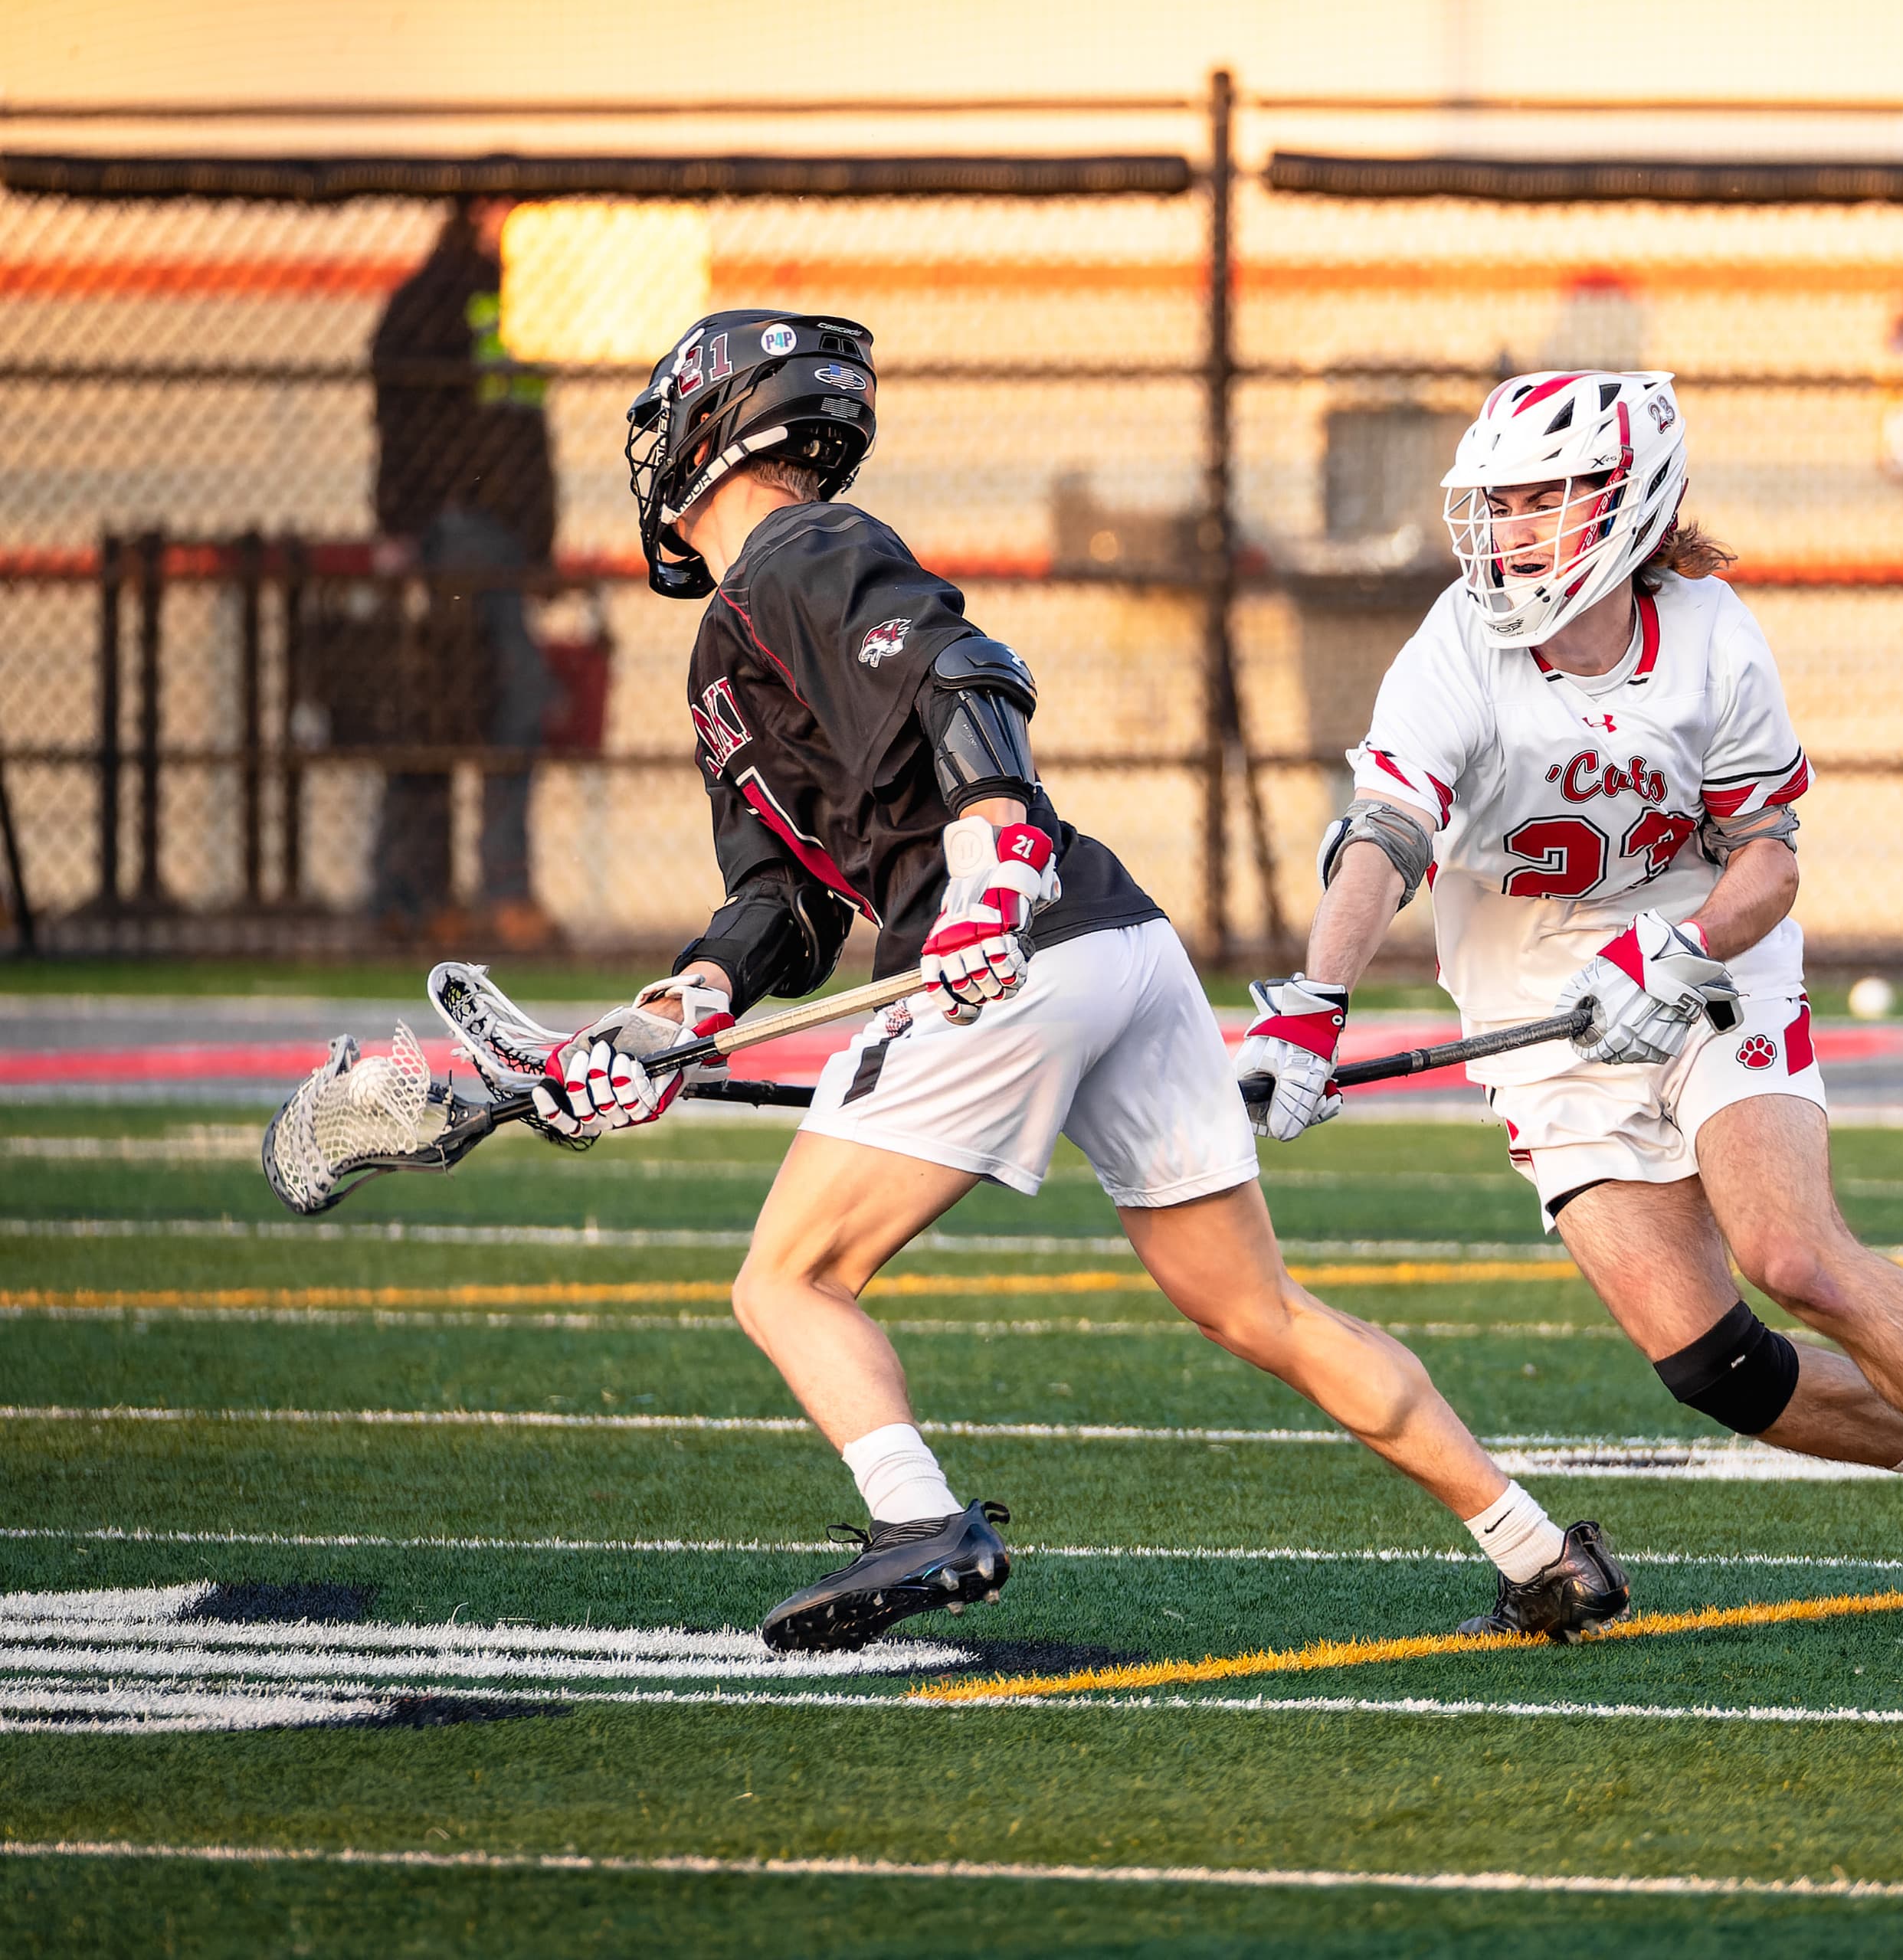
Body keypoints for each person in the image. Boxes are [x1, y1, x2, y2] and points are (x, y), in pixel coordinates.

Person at [528, 310, 1627, 1651]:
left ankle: (916, 1519)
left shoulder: (799, 551)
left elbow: (963, 673)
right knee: (1255, 1307)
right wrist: (669, 1018)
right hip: (1112, 940)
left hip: (1004, 942)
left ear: (716, 421)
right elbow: (781, 908)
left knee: (787, 1279)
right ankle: (1536, 1551)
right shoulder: (735, 638)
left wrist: (992, 867)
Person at [1240, 371, 1903, 1620]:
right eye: (1497, 504)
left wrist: (1675, 954)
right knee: (1710, 1365)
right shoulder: (1456, 646)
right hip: (1535, 1007)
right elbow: (1386, 836)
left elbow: (1767, 864)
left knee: (1794, 1254)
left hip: (1711, 958)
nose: (1508, 529)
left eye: (1538, 500)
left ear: (1623, 504)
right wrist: (1313, 1003)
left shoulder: (1709, 634)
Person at [366, 197, 559, 951]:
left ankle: (423, 891)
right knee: (465, 705)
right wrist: (404, 522)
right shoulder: (440, 297)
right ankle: (444, 892)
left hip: (498, 536)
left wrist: (539, 541)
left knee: (465, 707)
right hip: (458, 531)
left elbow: (527, 430)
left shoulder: (521, 298)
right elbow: (402, 417)